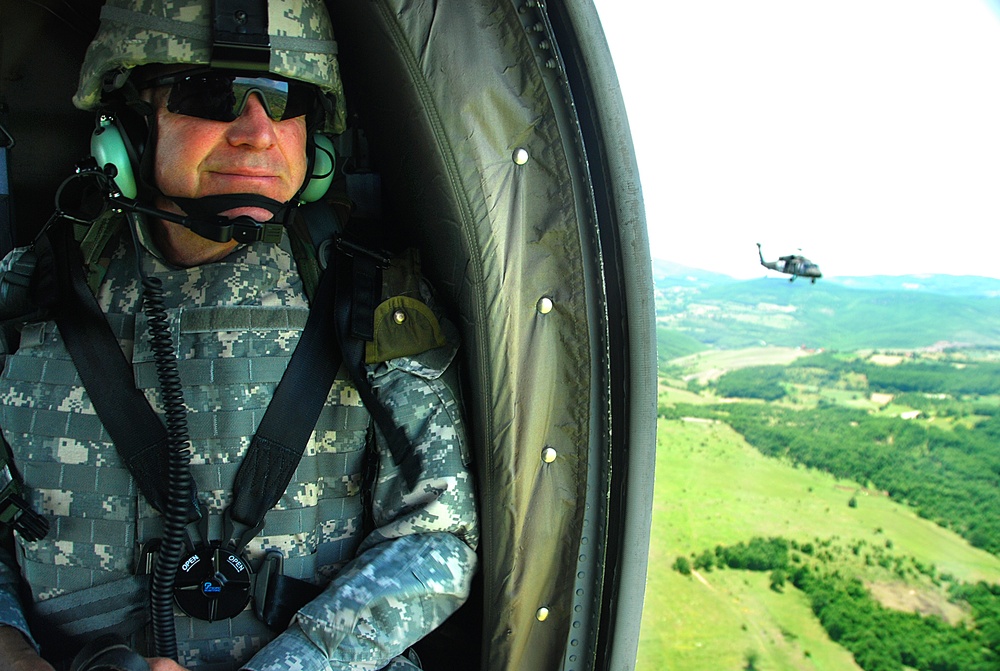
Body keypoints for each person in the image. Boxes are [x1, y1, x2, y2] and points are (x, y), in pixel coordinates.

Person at [0, 1, 479, 670]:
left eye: (289, 102)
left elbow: (439, 536)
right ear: (130, 126)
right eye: (210, 93)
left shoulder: (375, 303)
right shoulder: (21, 301)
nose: (259, 133)